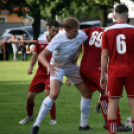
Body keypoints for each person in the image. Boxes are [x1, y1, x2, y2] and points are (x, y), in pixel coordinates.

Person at [30, 17, 93, 134]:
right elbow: (41, 56)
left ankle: (83, 125)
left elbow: (82, 43)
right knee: (53, 94)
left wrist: (77, 56)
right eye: (74, 31)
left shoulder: (80, 34)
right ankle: (36, 125)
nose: (77, 33)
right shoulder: (58, 38)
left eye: (78, 30)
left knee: (87, 93)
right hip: (57, 67)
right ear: (66, 30)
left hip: (71, 67)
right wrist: (49, 66)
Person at [80, 26, 130, 131]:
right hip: (95, 67)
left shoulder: (93, 29)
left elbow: (79, 34)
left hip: (84, 66)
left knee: (93, 93)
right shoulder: (110, 33)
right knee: (112, 94)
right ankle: (116, 124)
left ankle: (90, 124)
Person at [100, 4, 134, 134]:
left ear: (114, 17)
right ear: (128, 16)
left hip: (114, 71)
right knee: (133, 102)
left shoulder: (107, 31)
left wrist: (103, 74)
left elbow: (104, 55)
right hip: (132, 70)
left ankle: (112, 132)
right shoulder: (133, 30)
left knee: (112, 103)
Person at [19, 20, 60, 125]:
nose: (55, 33)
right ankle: (29, 116)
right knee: (29, 97)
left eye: (57, 31)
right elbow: (35, 55)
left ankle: (53, 119)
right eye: (53, 31)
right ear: (48, 30)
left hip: (52, 72)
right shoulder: (40, 40)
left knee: (49, 95)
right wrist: (30, 67)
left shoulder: (60, 41)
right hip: (40, 72)